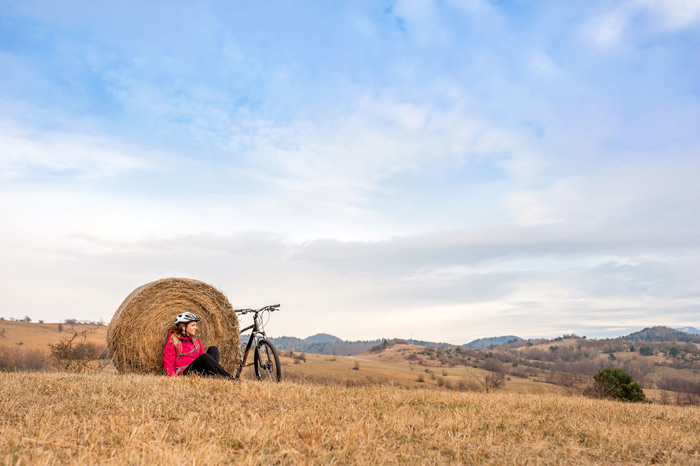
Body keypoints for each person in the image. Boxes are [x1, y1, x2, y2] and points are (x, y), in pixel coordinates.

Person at [162, 311, 233, 379]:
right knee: (204, 357)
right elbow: (168, 363)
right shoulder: (173, 342)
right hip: (184, 374)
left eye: (196, 325)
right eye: (193, 325)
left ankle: (214, 376)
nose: (196, 328)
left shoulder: (197, 342)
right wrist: (174, 378)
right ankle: (228, 378)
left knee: (213, 349)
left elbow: (205, 361)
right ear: (183, 327)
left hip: (198, 372)